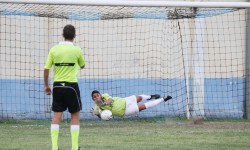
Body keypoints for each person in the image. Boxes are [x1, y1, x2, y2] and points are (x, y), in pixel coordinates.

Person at [44, 24, 85, 150]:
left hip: (57, 87)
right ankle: (74, 147)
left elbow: (46, 69)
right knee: (75, 115)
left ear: (62, 35)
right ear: (74, 36)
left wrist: (46, 85)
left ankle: (55, 148)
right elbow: (82, 66)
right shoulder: (77, 50)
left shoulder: (54, 49)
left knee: (57, 116)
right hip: (71, 86)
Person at [90, 90, 172, 119]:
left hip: (124, 101)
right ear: (93, 99)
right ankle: (163, 99)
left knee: (139, 97)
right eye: (94, 97)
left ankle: (151, 96)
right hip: (125, 111)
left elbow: (110, 100)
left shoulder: (105, 96)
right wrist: (97, 114)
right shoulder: (97, 107)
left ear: (100, 95)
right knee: (143, 106)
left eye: (97, 95)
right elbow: (102, 117)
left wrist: (103, 104)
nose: (97, 97)